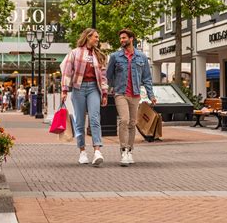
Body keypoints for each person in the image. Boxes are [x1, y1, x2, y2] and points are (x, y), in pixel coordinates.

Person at [106, 28, 157, 166]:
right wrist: (108, 90)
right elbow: (108, 76)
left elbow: (147, 78)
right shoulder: (115, 56)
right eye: (121, 38)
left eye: (124, 38)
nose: (122, 40)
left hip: (135, 95)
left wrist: (151, 95)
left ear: (131, 39)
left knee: (132, 123)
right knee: (124, 120)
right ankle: (123, 151)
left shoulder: (142, 57)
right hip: (120, 93)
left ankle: (129, 151)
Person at [60, 28, 108, 166]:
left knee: (94, 119)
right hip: (78, 89)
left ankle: (97, 151)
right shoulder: (75, 53)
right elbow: (67, 72)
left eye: (98, 37)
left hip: (94, 88)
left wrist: (104, 93)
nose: (98, 39)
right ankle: (82, 152)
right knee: (80, 122)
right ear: (88, 37)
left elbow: (103, 77)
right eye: (95, 37)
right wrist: (64, 90)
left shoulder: (99, 55)